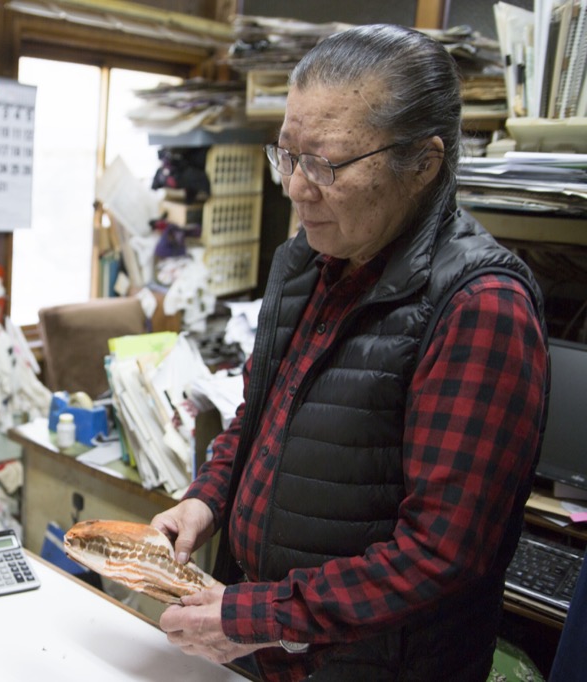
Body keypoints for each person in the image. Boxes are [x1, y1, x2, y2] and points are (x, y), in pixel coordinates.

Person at [151, 24, 549, 682]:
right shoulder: (306, 260)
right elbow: (257, 420)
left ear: (422, 164)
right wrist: (206, 501)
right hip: (274, 654)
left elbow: (440, 553)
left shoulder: (480, 308)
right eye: (288, 155)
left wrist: (258, 618)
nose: (298, 188)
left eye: (327, 164)